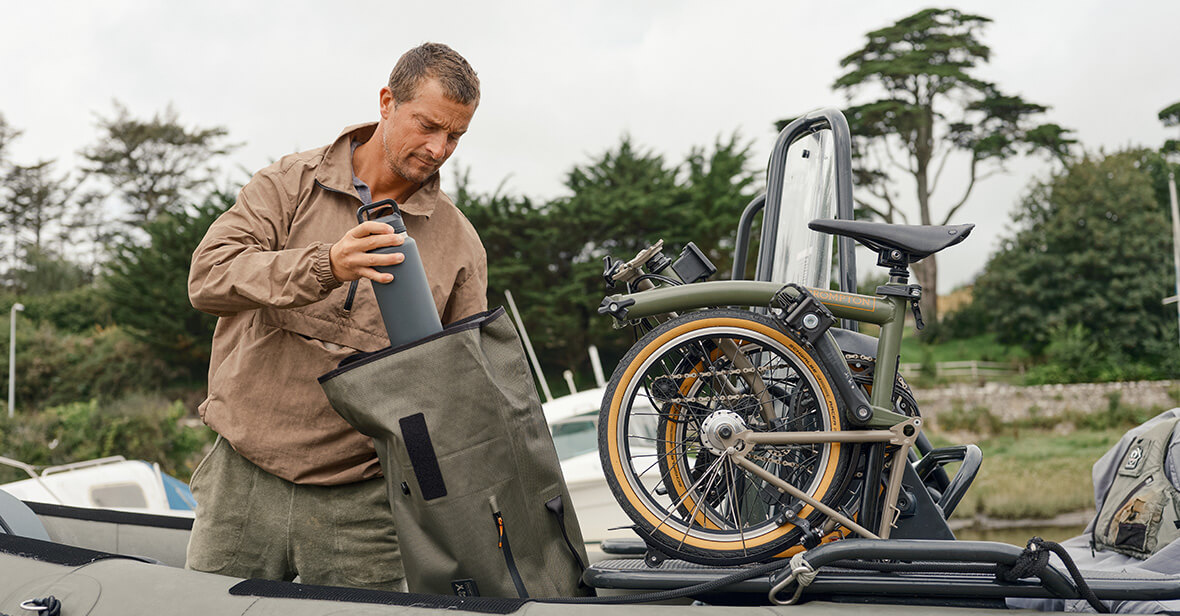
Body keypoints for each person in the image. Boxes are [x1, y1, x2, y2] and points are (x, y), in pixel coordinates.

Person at [185, 42, 487, 591]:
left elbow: (459, 394)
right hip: (242, 483)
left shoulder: (461, 244)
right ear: (387, 102)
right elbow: (208, 278)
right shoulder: (288, 183)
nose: (439, 147)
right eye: (427, 125)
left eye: (455, 136)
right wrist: (326, 264)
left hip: (365, 503)